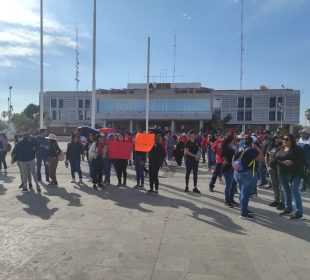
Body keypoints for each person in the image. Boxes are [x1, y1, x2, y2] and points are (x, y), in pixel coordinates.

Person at [233, 136, 264, 220]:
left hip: (237, 173)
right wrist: (258, 148)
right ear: (253, 143)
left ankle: (243, 208)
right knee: (245, 194)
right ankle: (243, 213)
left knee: (242, 192)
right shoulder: (252, 150)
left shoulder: (241, 149)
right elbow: (262, 159)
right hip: (247, 174)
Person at [275, 134, 305, 220]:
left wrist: (292, 162)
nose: (284, 140)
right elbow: (277, 159)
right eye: (283, 139)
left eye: (286, 139)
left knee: (295, 191)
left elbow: (302, 161)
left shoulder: (297, 149)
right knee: (286, 191)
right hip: (282, 173)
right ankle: (288, 209)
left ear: (292, 140)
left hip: (295, 173)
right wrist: (282, 163)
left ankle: (299, 212)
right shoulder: (280, 148)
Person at [265, 135, 285, 210]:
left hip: (280, 168)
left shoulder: (283, 146)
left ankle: (283, 202)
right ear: (274, 139)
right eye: (277, 137)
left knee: (281, 185)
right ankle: (277, 199)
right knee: (274, 184)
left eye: (280, 137)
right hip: (271, 167)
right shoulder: (270, 146)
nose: (279, 139)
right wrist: (267, 166)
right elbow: (266, 156)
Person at [220, 135, 236, 207]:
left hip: (233, 167)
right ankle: (227, 201)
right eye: (233, 139)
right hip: (227, 168)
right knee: (228, 185)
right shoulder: (225, 148)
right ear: (230, 140)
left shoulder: (231, 147)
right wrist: (226, 161)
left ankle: (231, 199)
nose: (234, 141)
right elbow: (222, 157)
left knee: (233, 185)